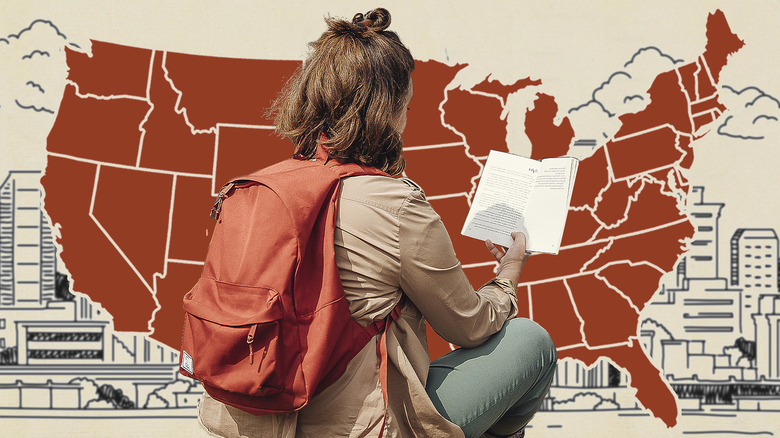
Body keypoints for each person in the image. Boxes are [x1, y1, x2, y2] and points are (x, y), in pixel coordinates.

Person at [197, 8, 557, 438]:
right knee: (532, 343)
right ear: (387, 109)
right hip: (354, 428)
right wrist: (509, 273)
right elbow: (470, 325)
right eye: (405, 106)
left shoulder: (254, 190)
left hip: (246, 422)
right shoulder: (395, 202)